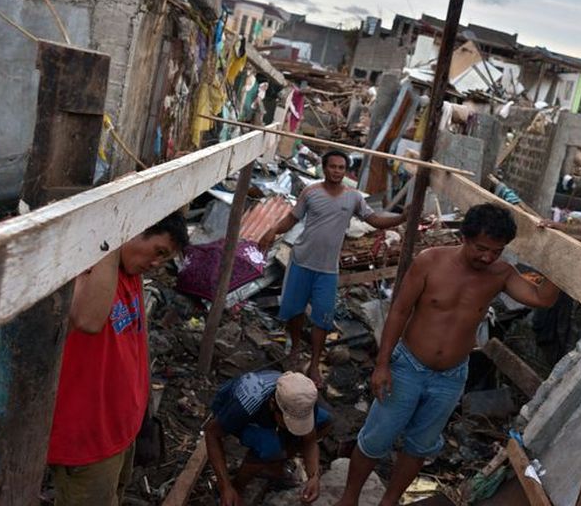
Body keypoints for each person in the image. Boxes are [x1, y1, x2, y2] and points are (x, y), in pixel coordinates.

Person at [335, 203, 561, 506]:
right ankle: (348, 499)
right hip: (407, 367)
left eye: (496, 251)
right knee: (377, 436)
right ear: (465, 237)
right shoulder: (430, 262)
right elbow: (399, 311)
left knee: (420, 446)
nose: (488, 257)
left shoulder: (501, 273)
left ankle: (388, 502)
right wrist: (382, 364)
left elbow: (541, 298)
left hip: (451, 377)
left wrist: (557, 251)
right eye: (482, 248)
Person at [47, 211, 189, 506]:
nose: (156, 264)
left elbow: (137, 344)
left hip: (122, 429)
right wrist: (113, 232)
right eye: (158, 252)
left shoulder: (131, 272)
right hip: (89, 440)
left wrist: (143, 415)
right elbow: (88, 319)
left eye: (164, 259)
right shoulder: (86, 270)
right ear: (131, 230)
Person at [262, 149, 408, 386]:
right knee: (294, 312)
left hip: (328, 270)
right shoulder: (311, 192)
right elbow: (292, 219)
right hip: (301, 262)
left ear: (346, 171)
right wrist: (272, 230)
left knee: (322, 319)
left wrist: (401, 218)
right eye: (333, 167)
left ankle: (315, 365)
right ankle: (295, 350)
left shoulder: (354, 197)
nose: (337, 171)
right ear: (324, 168)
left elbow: (374, 220)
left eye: (341, 168)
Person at [205, 371, 330, 505]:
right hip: (235, 412)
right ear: (272, 404)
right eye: (288, 421)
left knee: (325, 422)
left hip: (268, 415)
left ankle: (274, 466)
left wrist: (313, 476)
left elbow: (309, 440)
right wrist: (225, 487)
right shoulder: (246, 405)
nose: (292, 427)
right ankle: (237, 486)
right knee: (269, 447)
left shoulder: (304, 402)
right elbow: (212, 434)